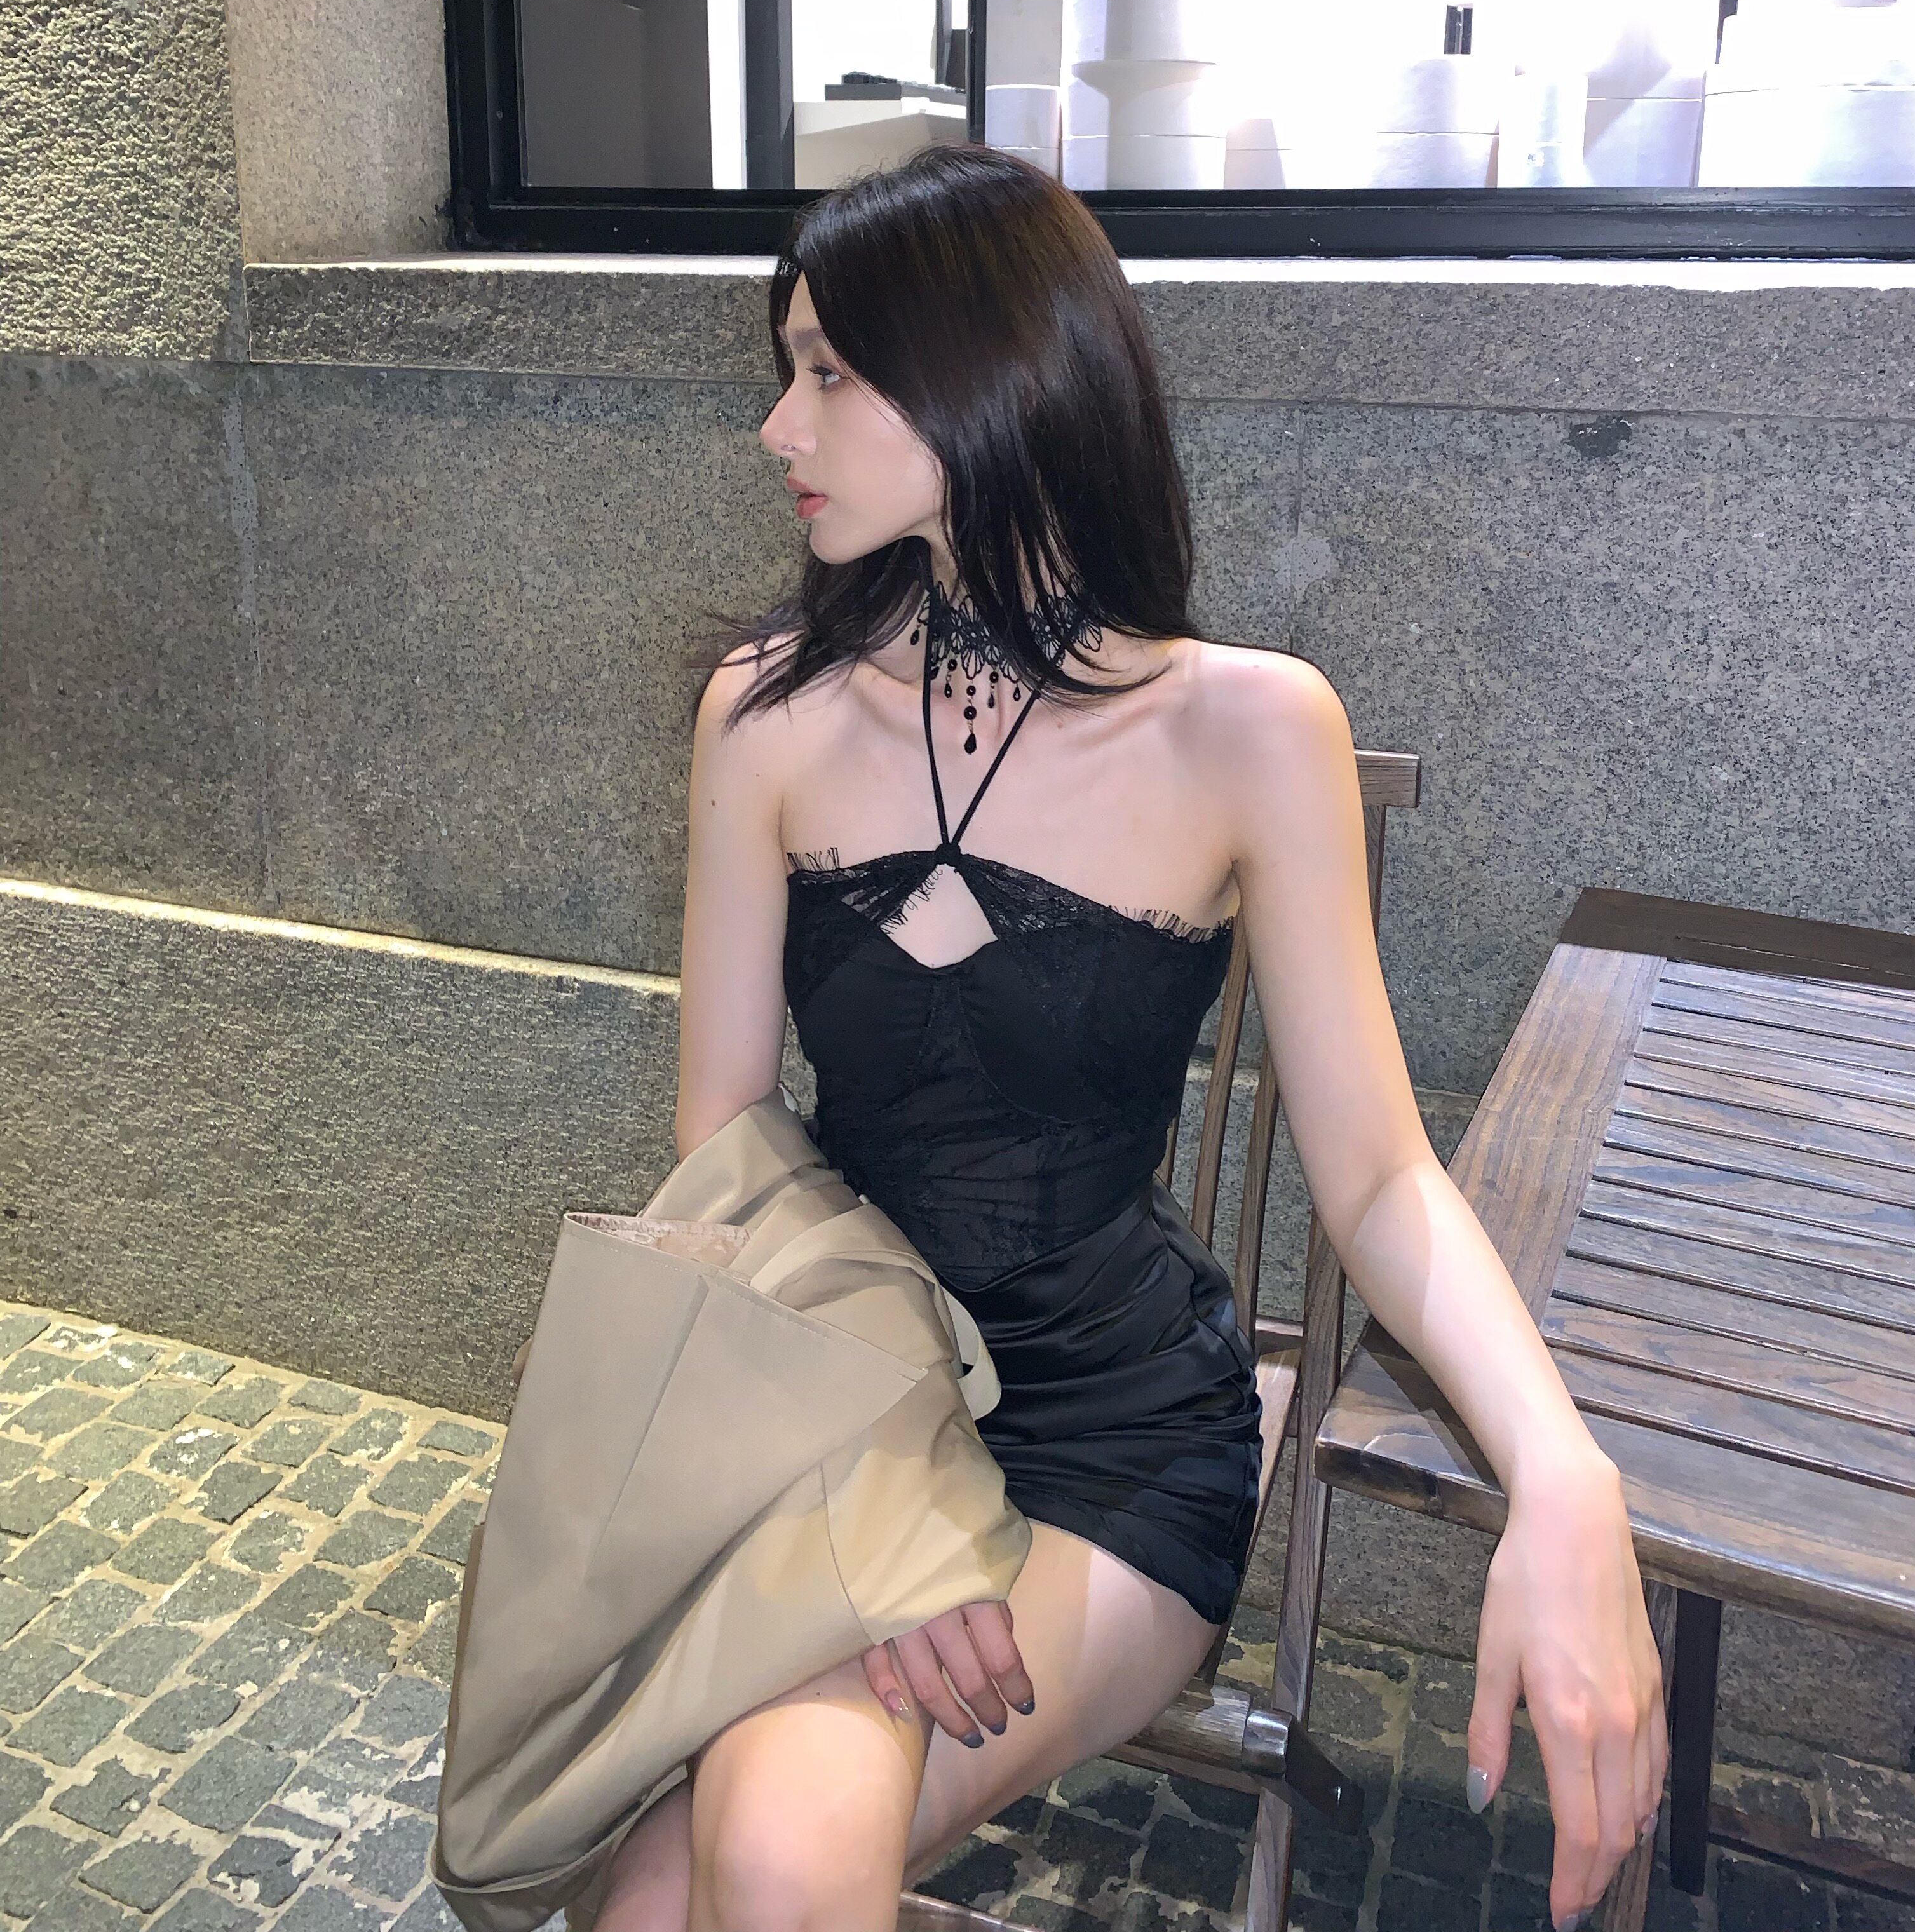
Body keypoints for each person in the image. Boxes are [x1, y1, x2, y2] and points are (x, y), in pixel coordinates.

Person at [597, 145, 1667, 1932]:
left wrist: (1564, 1470)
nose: (780, 426)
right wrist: (866, 1480)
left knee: (772, 1854)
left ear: (987, 378)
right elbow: (723, 1146)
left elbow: (1381, 1178)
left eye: (829, 373)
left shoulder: (1249, 729)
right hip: (835, 1401)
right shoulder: (766, 713)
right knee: (649, 1899)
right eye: (787, 370)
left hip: (1111, 1431)